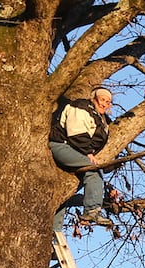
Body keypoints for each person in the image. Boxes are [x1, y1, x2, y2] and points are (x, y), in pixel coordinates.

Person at [50, 85, 115, 226]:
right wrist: (88, 153)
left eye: (108, 101)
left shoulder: (103, 121)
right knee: (92, 171)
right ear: (94, 99)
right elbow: (77, 133)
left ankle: (54, 229)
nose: (104, 103)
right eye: (102, 99)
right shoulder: (81, 107)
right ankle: (92, 211)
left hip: (74, 150)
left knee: (63, 190)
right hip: (62, 145)